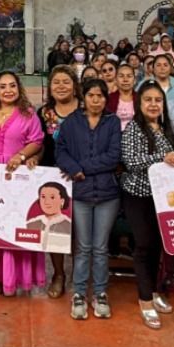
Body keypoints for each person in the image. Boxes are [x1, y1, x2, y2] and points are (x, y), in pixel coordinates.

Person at [0, 71, 47, 296]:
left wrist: (22, 156)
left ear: (19, 88)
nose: (8, 90)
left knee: (14, 226)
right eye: (3, 86)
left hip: (16, 178)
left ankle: (14, 279)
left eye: (12, 85)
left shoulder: (28, 113)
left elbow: (37, 141)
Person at [55, 77, 121, 322]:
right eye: (91, 95)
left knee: (101, 247)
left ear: (105, 99)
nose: (96, 100)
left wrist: (81, 167)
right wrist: (73, 168)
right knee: (82, 247)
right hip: (81, 194)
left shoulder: (112, 122)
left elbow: (114, 156)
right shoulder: (71, 123)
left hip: (107, 195)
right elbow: (60, 151)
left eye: (100, 96)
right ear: (83, 98)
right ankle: (80, 293)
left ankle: (101, 293)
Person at [119, 84, 174, 331]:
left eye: (158, 100)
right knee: (144, 246)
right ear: (139, 103)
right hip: (138, 196)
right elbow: (131, 162)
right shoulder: (134, 128)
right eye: (148, 100)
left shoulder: (165, 128)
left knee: (156, 246)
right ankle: (145, 300)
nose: (153, 104)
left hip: (162, 197)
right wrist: (161, 158)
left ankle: (154, 291)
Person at [37, 66, 82, 299]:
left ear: (75, 86)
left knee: (80, 232)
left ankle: (80, 276)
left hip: (82, 177)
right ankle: (59, 274)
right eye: (56, 82)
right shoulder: (44, 113)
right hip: (53, 179)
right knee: (55, 228)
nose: (61, 86)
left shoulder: (86, 109)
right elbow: (39, 143)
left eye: (66, 81)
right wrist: (33, 158)